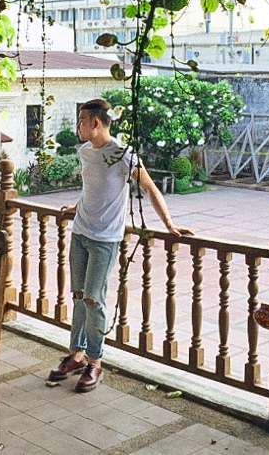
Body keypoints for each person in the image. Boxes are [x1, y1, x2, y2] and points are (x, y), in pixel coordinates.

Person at [47, 98, 192, 393]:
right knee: (77, 296)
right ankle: (75, 355)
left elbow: (149, 187)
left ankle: (94, 362)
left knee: (94, 300)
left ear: (96, 123)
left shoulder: (123, 154)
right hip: (80, 234)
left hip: (105, 239)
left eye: (81, 121)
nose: (78, 127)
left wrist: (169, 224)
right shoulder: (85, 152)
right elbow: (92, 189)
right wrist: (76, 209)